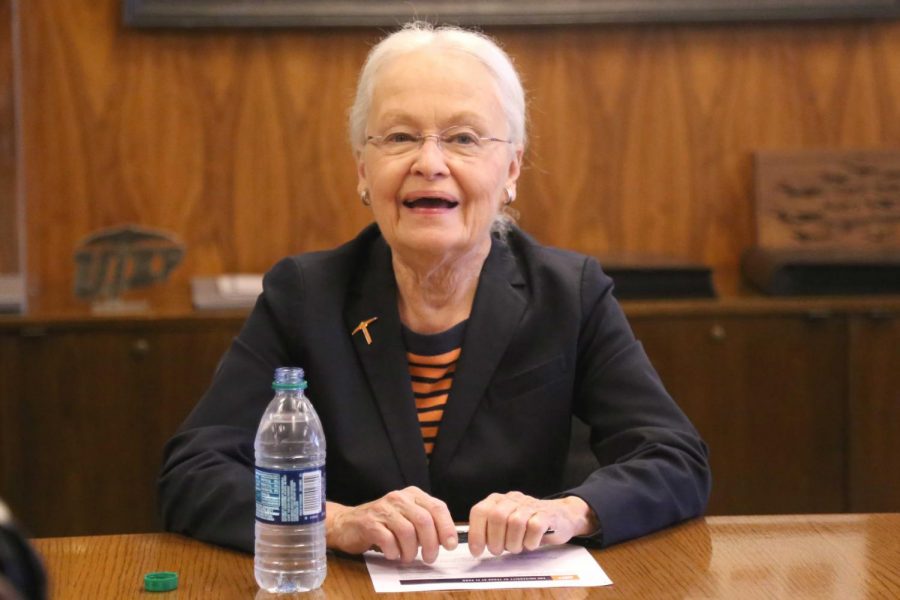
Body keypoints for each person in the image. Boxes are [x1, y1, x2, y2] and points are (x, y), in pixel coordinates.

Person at [158, 21, 710, 564]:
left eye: (463, 138)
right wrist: (334, 522)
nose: (429, 163)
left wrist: (570, 511)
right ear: (363, 170)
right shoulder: (305, 295)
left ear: (511, 168)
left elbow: (674, 458)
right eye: (399, 137)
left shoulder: (570, 294)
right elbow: (194, 472)